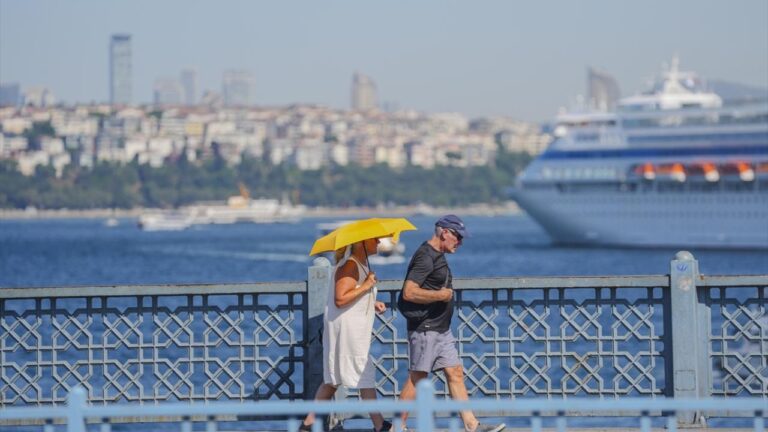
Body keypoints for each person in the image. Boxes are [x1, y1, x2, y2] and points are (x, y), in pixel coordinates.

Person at [397, 215, 505, 432]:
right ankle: (397, 427)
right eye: (458, 237)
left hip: (441, 328)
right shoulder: (425, 256)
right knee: (417, 377)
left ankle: (471, 424)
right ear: (444, 232)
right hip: (426, 328)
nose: (460, 242)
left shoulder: (437, 255)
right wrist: (440, 295)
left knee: (455, 372)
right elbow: (408, 292)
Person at [300, 237, 393, 432]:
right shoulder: (350, 265)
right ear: (361, 243)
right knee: (363, 371)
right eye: (374, 240)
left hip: (350, 328)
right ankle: (380, 425)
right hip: (348, 330)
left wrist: (372, 301)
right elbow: (340, 299)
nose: (378, 243)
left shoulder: (360, 264)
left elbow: (352, 293)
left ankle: (307, 425)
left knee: (333, 379)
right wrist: (367, 286)